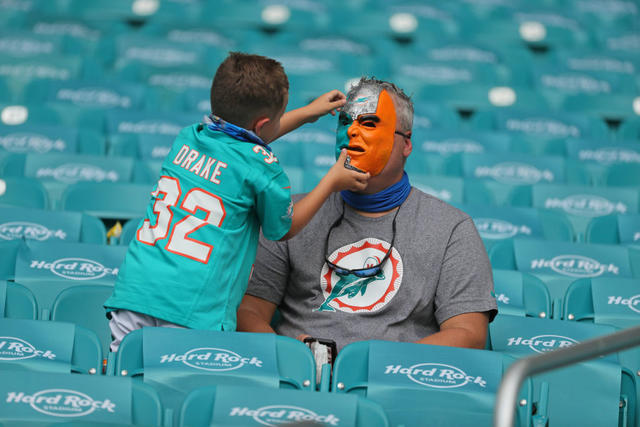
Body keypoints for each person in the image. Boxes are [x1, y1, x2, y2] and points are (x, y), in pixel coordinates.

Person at [104, 52, 370, 351]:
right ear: (264, 123)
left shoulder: (188, 137)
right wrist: (332, 181)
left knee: (127, 372)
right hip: (194, 308)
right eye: (281, 116)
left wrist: (306, 113)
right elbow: (283, 228)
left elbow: (243, 135)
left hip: (135, 292)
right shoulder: (262, 166)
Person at [237, 77, 497, 351]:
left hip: (393, 382)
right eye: (345, 122)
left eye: (370, 123)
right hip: (299, 380)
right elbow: (248, 312)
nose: (352, 132)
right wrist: (291, 356)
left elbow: (468, 333)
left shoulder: (452, 229)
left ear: (407, 144)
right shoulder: (291, 215)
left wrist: (375, 366)